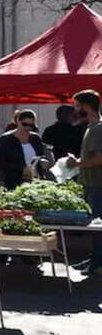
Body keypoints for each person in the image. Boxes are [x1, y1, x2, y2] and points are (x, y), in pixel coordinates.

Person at [67, 90, 102, 274]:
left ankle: (98, 263)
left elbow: (99, 159)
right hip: (91, 184)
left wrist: (77, 163)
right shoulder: (91, 127)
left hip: (97, 186)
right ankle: (94, 259)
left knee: (98, 227)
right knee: (94, 227)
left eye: (77, 105)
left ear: (87, 107)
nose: (75, 109)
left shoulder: (98, 128)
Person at [0, 110, 48, 190]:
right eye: (24, 124)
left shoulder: (35, 138)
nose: (27, 128)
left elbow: (40, 155)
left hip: (35, 181)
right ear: (17, 122)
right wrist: (21, 170)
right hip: (14, 183)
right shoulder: (6, 139)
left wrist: (42, 161)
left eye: (31, 125)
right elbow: (0, 164)